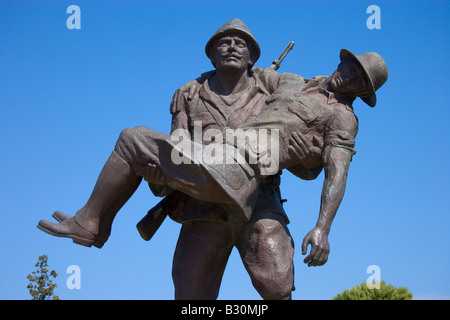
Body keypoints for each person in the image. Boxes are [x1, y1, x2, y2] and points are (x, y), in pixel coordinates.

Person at [38, 19, 317, 300]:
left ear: (252, 58)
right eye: (224, 42)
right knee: (190, 297)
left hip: (261, 204)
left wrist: (302, 155)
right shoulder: (189, 95)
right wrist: (158, 181)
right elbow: (177, 154)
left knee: (278, 287)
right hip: (203, 208)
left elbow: (308, 166)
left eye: (240, 43)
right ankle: (93, 223)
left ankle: (89, 222)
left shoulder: (275, 92)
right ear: (211, 54)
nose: (232, 47)